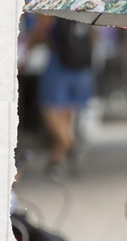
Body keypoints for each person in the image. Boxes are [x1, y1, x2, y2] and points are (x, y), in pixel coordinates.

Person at [29, 15, 96, 178]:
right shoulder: (86, 8)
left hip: (59, 66)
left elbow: (38, 34)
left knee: (50, 110)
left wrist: (32, 45)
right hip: (81, 68)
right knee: (66, 115)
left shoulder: (54, 8)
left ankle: (71, 147)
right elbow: (94, 37)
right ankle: (55, 159)